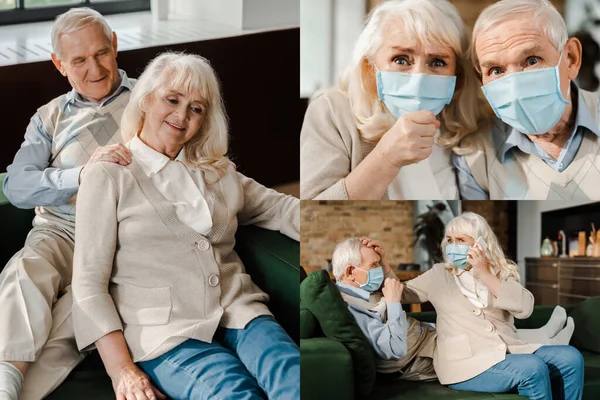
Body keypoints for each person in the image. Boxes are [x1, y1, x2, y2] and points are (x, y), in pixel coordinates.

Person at [71, 52, 300, 400]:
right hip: (165, 332)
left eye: (196, 108)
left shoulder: (217, 171)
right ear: (146, 99)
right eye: (172, 100)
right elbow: (88, 284)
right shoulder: (108, 174)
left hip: (240, 311)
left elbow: (283, 209)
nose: (182, 115)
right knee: (234, 395)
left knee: (296, 382)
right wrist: (121, 371)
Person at [0, 8, 134, 400]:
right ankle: (5, 376)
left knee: (78, 315)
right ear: (59, 64)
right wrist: (79, 175)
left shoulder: (150, 99)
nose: (94, 68)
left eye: (100, 53)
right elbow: (18, 186)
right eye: (79, 60)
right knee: (24, 271)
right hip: (60, 230)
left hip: (120, 239)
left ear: (114, 46)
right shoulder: (49, 117)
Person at [300, 0, 487, 200]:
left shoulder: (465, 125)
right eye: (401, 60)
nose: (419, 77)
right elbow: (310, 212)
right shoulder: (332, 110)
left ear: (456, 75)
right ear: (370, 68)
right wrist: (386, 158)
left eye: (438, 62)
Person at [331, 236, 574, 381]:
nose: (376, 270)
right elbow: (393, 349)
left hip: (428, 336)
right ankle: (549, 342)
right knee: (476, 334)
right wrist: (394, 303)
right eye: (372, 265)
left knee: (474, 323)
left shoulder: (361, 290)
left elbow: (395, 288)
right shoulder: (350, 307)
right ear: (351, 272)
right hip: (419, 357)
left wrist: (382, 262)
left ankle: (544, 335)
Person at [400, 212, 584, 399]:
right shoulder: (438, 275)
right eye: (450, 240)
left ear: (480, 242)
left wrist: (485, 274)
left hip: (508, 351)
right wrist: (381, 265)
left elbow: (525, 309)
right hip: (463, 363)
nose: (453, 246)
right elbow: (400, 291)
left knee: (571, 358)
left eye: (461, 240)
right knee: (532, 367)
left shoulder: (502, 272)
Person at [454, 0, 600, 199]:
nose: (514, 86)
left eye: (531, 60)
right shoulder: (474, 157)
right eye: (496, 70)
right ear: (482, 80)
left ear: (570, 59)